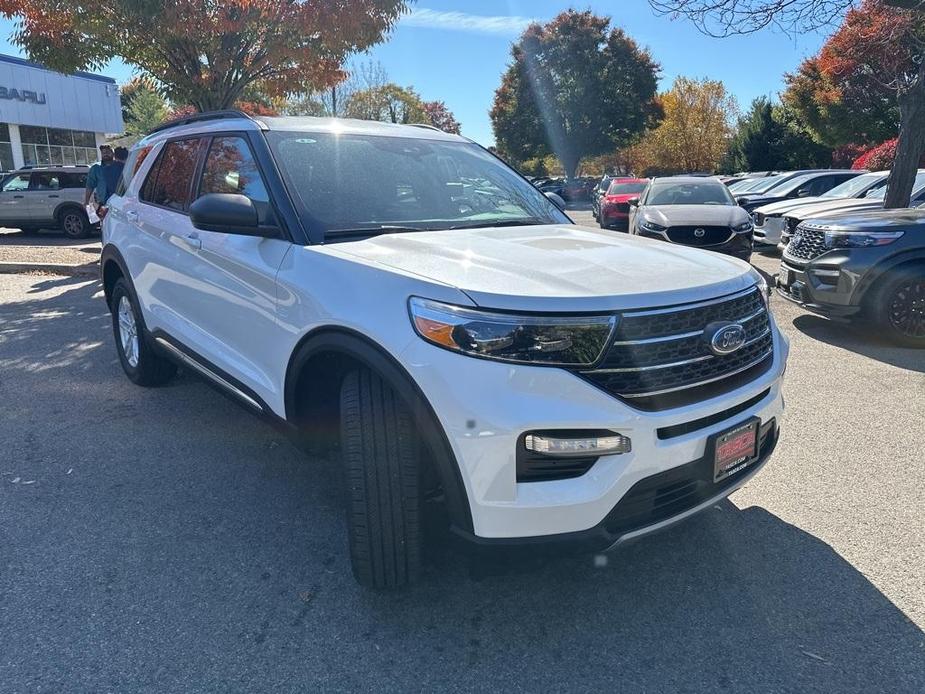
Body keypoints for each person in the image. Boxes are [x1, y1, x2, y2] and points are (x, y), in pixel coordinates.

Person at [84, 144, 115, 211]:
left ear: (113, 153)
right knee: (103, 221)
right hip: (102, 203)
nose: (106, 154)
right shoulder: (96, 168)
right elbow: (90, 186)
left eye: (108, 152)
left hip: (117, 203)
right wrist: (86, 202)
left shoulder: (120, 166)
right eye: (103, 153)